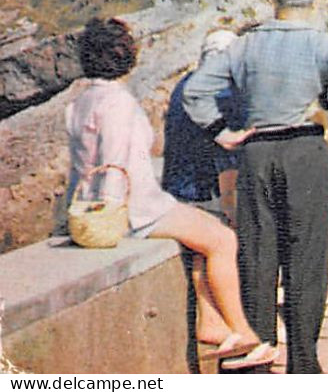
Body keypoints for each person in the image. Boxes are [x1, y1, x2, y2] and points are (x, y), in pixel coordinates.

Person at [183, 0, 328, 373]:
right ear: (313, 2)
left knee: (257, 257)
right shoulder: (321, 42)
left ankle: (258, 356)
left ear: (274, 3)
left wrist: (222, 132)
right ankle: (304, 362)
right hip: (306, 151)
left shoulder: (246, 46)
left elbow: (196, 92)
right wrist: (326, 99)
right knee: (307, 259)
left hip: (257, 151)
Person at [73, 20, 273, 370]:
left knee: (203, 236)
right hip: (137, 208)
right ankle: (242, 332)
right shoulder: (118, 103)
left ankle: (211, 322)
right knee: (223, 240)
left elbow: (82, 167)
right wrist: (113, 218)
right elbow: (115, 162)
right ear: (126, 58)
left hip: (103, 205)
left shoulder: (77, 103)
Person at [162, 29, 242, 223]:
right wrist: (233, 215)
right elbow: (227, 161)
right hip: (204, 199)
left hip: (174, 192)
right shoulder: (223, 93)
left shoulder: (185, 84)